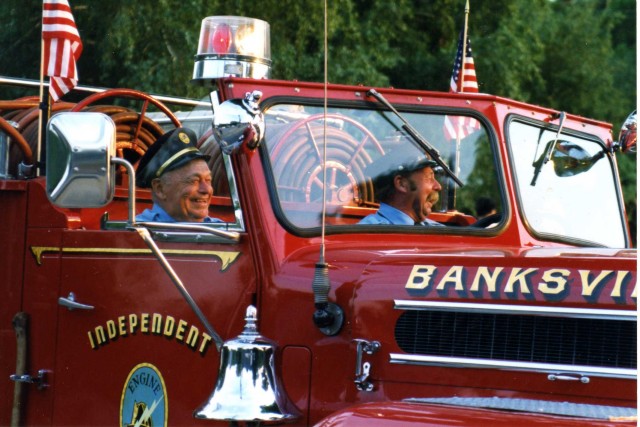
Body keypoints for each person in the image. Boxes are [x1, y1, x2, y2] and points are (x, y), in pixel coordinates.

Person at [135, 127, 223, 223]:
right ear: (160, 189)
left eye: (208, 180)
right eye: (194, 181)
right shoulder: (139, 233)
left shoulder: (225, 231)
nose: (206, 190)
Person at [359, 150, 444, 226]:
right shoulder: (368, 235)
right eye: (429, 178)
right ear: (402, 184)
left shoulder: (439, 231)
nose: (438, 187)